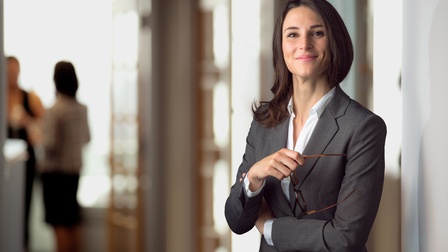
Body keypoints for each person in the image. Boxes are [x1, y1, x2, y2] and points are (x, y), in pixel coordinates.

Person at [224, 1, 387, 251]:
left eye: (317, 33)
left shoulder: (363, 128)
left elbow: (345, 238)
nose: (304, 44)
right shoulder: (265, 121)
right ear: (281, 46)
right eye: (292, 34)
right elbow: (236, 220)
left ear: (334, 41)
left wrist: (270, 228)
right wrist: (253, 179)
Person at [40, 61, 90, 252]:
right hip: (73, 172)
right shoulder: (82, 109)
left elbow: (50, 144)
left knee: (59, 224)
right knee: (71, 221)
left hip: (55, 174)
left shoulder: (55, 110)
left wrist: (38, 135)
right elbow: (87, 138)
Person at [6, 56, 46, 251]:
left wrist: (27, 122)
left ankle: (23, 244)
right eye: (9, 72)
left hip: (25, 163)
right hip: (5, 162)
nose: (12, 76)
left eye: (15, 71)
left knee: (24, 207)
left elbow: (44, 129)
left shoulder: (30, 97)